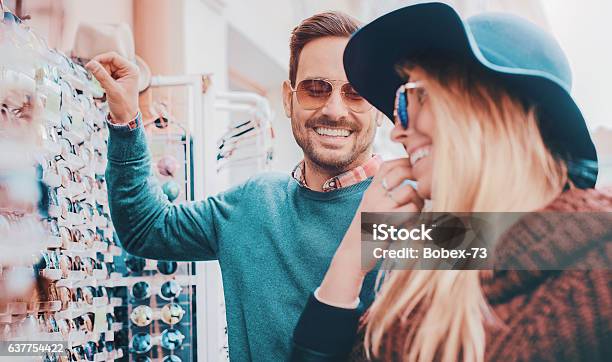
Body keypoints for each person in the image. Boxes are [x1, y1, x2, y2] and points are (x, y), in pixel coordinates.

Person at [291, 3, 610, 361]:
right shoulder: (446, 251)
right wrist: (354, 254)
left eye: (407, 100)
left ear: (487, 106)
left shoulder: (599, 267)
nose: (398, 132)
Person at [84, 11, 383, 361]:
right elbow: (144, 228)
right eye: (315, 89)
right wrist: (126, 120)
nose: (334, 109)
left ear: (378, 107)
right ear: (288, 99)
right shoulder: (254, 203)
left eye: (356, 93)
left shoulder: (417, 215)